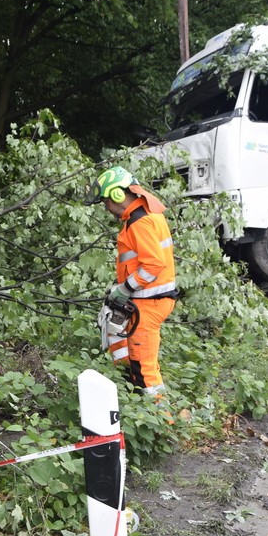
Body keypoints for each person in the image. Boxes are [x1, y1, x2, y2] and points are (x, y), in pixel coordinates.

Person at [86, 166, 177, 401]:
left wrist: (125, 289)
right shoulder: (148, 215)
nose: (106, 207)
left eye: (106, 200)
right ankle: (136, 404)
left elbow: (153, 265)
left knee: (143, 367)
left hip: (149, 302)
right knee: (132, 357)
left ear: (117, 194)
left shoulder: (140, 222)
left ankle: (162, 424)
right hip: (148, 299)